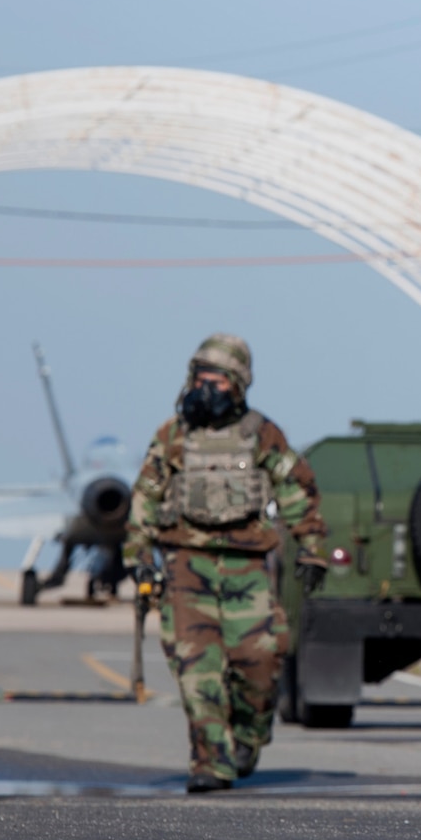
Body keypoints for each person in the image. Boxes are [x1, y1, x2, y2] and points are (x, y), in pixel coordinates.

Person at [121, 334, 342, 793]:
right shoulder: (174, 435)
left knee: (258, 665)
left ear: (238, 384)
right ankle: (210, 764)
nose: (206, 387)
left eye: (218, 379)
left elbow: (296, 489)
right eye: (200, 377)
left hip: (247, 567)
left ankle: (248, 736)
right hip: (187, 567)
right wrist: (138, 556)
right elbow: (146, 495)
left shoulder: (262, 434)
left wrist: (312, 547)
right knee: (196, 671)